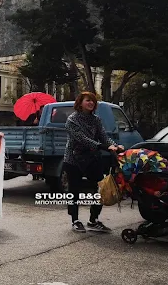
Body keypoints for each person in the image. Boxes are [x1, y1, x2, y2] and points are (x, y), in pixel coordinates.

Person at [64, 92, 123, 233]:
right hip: (74, 159)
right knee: (74, 191)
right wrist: (102, 147)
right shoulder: (72, 120)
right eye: (87, 100)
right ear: (80, 102)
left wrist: (114, 146)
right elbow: (82, 139)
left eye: (93, 101)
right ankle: (75, 220)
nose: (91, 103)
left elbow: (103, 136)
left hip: (92, 159)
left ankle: (93, 220)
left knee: (99, 188)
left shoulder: (96, 119)